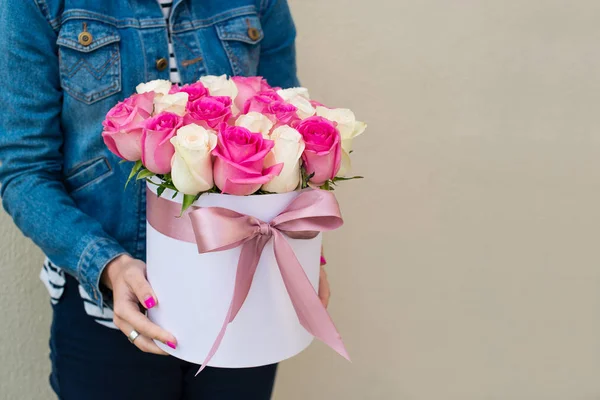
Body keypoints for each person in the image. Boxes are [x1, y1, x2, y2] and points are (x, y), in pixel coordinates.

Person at [0, 1, 331, 399]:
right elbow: (24, 169)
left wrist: (303, 254)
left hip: (242, 307)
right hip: (105, 315)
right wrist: (107, 265)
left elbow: (291, 136)